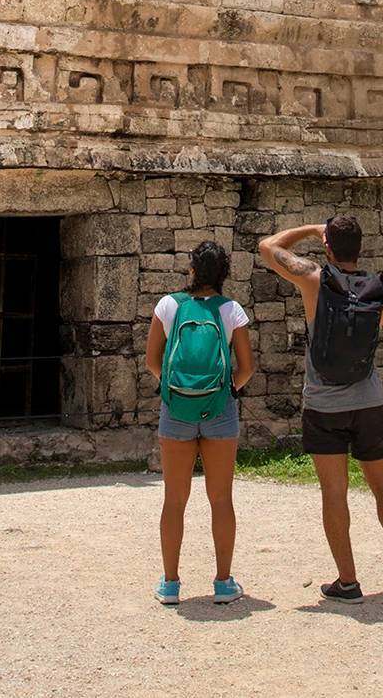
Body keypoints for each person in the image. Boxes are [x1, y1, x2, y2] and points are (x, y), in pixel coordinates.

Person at [258, 215, 383, 601]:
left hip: (324, 403)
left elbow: (268, 248)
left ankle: (348, 581)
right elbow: (380, 324)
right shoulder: (377, 289)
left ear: (328, 247)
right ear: (359, 247)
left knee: (334, 491)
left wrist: (311, 230)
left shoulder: (315, 279)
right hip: (368, 400)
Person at [145, 239, 254, 605]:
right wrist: (225, 392)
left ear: (192, 269)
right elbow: (246, 368)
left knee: (174, 499)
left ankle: (170, 584)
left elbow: (152, 361)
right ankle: (223, 583)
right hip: (220, 411)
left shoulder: (169, 305)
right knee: (221, 499)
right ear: (223, 273)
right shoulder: (231, 310)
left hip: (176, 409)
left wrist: (174, 391)